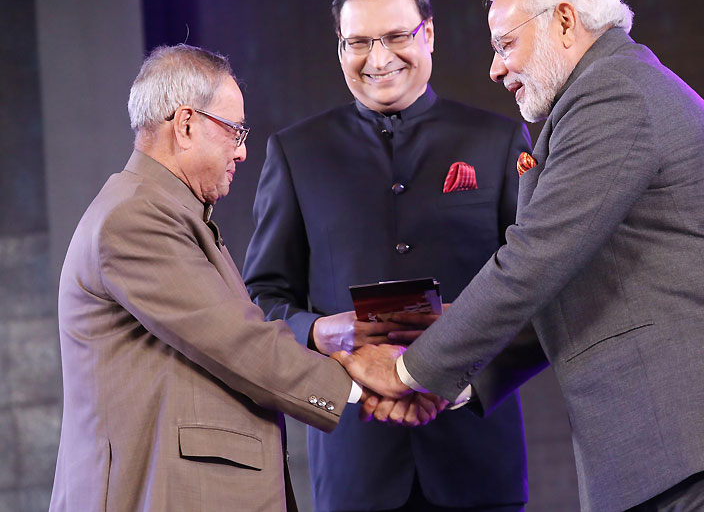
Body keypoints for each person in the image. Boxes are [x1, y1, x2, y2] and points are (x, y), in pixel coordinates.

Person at [335, 0, 704, 512]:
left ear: (565, 21)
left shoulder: (614, 93)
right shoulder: (598, 98)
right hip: (678, 442)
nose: (495, 67)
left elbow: (533, 260)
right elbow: (562, 286)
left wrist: (410, 369)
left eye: (505, 44)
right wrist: (455, 383)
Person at [49, 44, 440, 512]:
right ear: (187, 125)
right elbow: (240, 343)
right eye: (235, 131)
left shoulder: (164, 211)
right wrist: (365, 378)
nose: (243, 150)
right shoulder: (136, 218)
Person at [243, 0, 533, 512]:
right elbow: (260, 299)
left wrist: (465, 383)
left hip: (477, 460)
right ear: (340, 48)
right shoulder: (297, 153)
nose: (379, 60)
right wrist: (314, 331)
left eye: (396, 37)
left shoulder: (495, 140)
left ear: (428, 35)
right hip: (355, 466)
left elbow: (539, 286)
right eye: (358, 43)